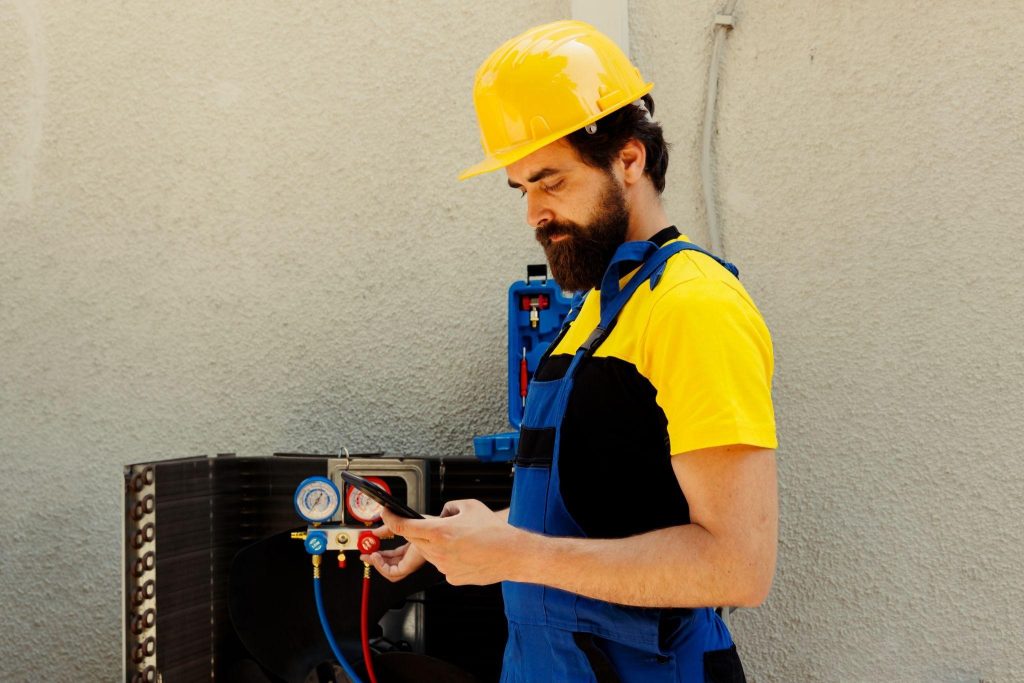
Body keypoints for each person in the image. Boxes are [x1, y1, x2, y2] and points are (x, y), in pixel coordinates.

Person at [361, 20, 777, 682]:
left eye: (550, 181)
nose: (533, 214)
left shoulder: (693, 306)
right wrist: (480, 534)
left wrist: (515, 553)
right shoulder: (596, 308)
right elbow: (607, 500)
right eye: (521, 188)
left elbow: (737, 565)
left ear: (628, 159)